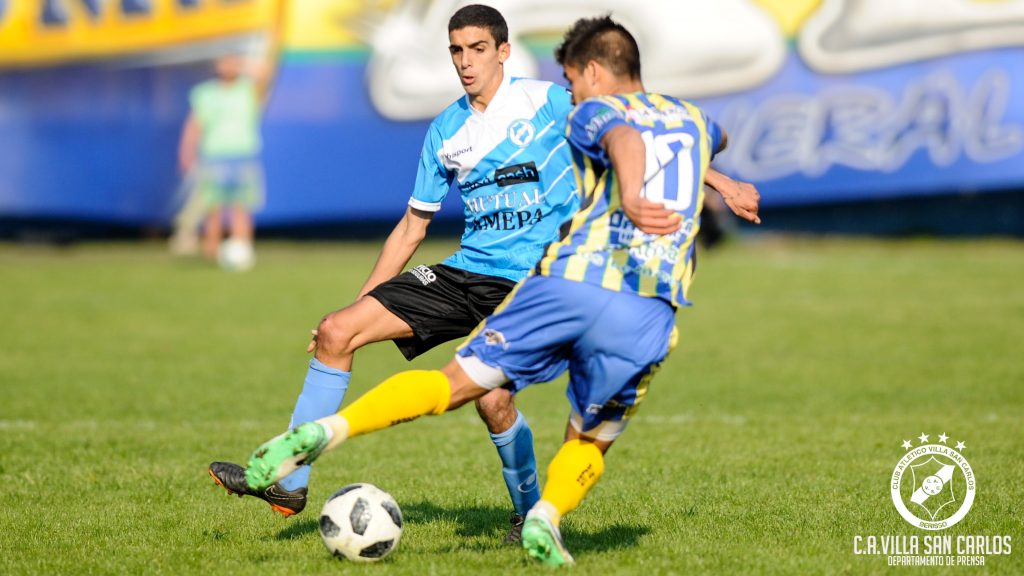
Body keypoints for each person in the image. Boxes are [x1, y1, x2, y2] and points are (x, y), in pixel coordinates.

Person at [238, 14, 760, 568]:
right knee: (337, 330)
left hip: (538, 278)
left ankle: (528, 513)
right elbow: (413, 226)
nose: (466, 61)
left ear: (504, 51)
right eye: (456, 50)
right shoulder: (446, 129)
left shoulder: (550, 102)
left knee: (490, 399)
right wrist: (362, 299)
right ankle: (289, 483)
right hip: (474, 272)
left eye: (478, 48)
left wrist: (719, 180)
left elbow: (633, 132)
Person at [178, 54, 265, 263]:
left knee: (241, 207)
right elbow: (194, 124)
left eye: (232, 62)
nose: (228, 67)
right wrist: (187, 150)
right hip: (214, 155)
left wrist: (242, 65)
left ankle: (242, 250)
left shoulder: (248, 90)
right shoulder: (204, 93)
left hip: (243, 154)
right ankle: (211, 252)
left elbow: (265, 72)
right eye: (224, 62)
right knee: (213, 207)